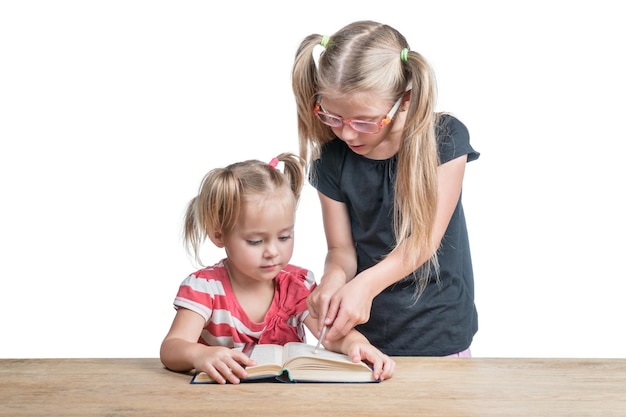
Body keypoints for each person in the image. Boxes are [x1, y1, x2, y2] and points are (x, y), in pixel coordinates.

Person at [291, 20, 480, 357]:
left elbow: (422, 243)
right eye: (333, 117)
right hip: (362, 336)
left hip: (438, 329)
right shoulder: (332, 160)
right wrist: (334, 280)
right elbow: (341, 250)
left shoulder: (445, 141)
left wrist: (364, 285)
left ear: (404, 100)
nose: (347, 134)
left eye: (364, 121)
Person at [160, 152, 395, 384]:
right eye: (255, 241)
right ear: (219, 234)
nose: (273, 251)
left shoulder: (297, 284)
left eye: (284, 237)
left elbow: (332, 337)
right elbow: (172, 348)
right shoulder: (205, 289)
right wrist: (200, 355)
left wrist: (358, 345)